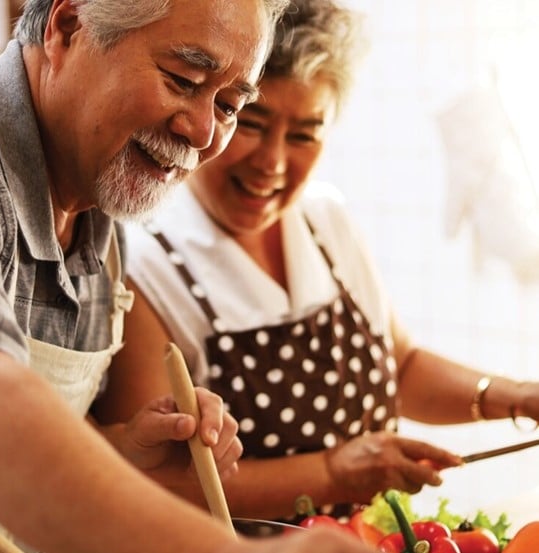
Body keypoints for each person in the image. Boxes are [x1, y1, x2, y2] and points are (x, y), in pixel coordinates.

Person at [0, 0, 380, 553]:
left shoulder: (102, 190)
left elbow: (25, 450)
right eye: (183, 80)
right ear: (68, 27)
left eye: (230, 105)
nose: (203, 132)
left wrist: (124, 453)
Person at [92, 0, 539, 524]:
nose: (273, 163)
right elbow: (153, 487)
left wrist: (516, 397)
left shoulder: (325, 219)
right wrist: (332, 472)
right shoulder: (143, 263)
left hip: (373, 535)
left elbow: (401, 365)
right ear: (219, 111)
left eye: (304, 133)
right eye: (252, 123)